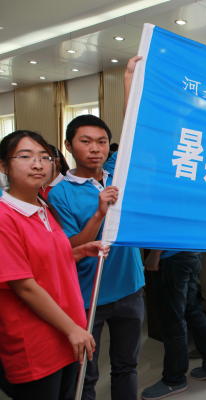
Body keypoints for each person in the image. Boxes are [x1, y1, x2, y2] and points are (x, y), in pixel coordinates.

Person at [0, 130, 105, 400]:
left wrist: (77, 252)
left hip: (67, 333)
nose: (38, 164)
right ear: (3, 166)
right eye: (25, 157)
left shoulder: (42, 206)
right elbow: (24, 285)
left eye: (44, 157)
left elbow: (43, 261)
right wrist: (72, 329)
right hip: (38, 342)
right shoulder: (5, 217)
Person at [48, 115, 145, 400]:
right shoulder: (60, 193)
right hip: (88, 295)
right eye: (86, 141)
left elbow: (133, 123)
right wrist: (99, 213)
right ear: (69, 145)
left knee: (127, 366)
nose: (95, 149)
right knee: (85, 375)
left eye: (102, 142)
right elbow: (72, 247)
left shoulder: (119, 174)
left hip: (130, 287)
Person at [141, 251, 206, 400]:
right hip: (191, 253)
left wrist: (155, 253)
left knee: (173, 320)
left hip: (172, 257)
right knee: (192, 310)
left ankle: (174, 379)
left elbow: (169, 233)